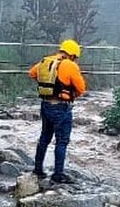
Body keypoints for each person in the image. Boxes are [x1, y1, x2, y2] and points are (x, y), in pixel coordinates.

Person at [28, 39, 87, 183]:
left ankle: (38, 169)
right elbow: (81, 88)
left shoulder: (46, 61)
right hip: (61, 107)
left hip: (45, 105)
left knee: (44, 138)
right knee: (62, 141)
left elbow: (32, 73)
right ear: (72, 54)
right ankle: (58, 174)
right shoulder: (70, 65)